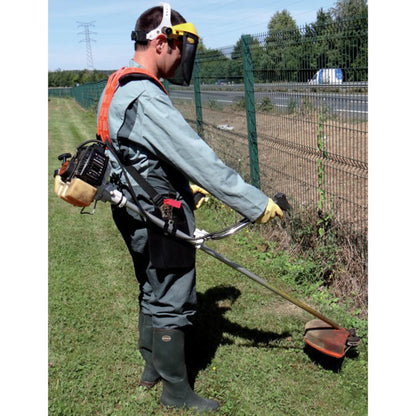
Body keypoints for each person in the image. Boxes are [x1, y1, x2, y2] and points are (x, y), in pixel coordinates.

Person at [97, 3, 284, 412]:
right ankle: (176, 392)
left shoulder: (119, 82)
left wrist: (184, 186)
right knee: (173, 295)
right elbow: (200, 157)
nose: (183, 58)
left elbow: (134, 155)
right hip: (159, 215)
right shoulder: (146, 95)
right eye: (180, 48)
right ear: (161, 41)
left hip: (132, 207)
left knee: (150, 285)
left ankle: (151, 369)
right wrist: (256, 203)